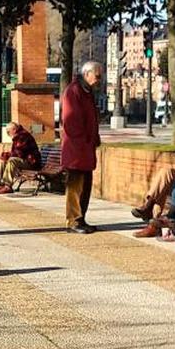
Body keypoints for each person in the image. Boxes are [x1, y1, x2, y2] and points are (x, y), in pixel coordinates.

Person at [61, 60, 103, 234]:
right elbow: (71, 120)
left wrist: (94, 137)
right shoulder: (74, 91)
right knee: (75, 186)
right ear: (87, 74)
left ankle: (81, 218)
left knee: (85, 186)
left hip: (86, 148)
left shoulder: (87, 92)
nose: (99, 79)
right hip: (76, 149)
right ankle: (73, 221)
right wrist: (84, 139)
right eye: (97, 75)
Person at [0, 122, 41, 194]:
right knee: (5, 161)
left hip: (32, 163)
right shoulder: (19, 136)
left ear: (14, 130)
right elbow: (16, 152)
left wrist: (4, 155)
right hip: (26, 160)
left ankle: (8, 186)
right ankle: (1, 184)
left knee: (12, 160)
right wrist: (5, 156)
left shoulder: (23, 136)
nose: (8, 133)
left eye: (8, 131)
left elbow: (18, 153)